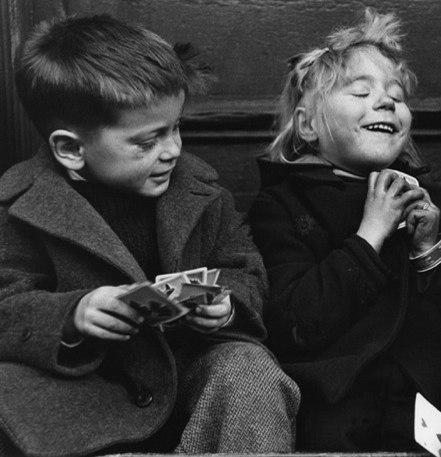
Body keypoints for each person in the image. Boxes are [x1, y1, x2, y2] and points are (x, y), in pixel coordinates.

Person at [0, 15, 299, 456]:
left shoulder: (202, 191)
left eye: (176, 127)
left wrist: (226, 304)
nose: (173, 149)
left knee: (250, 371)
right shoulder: (18, 207)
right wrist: (72, 314)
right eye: (148, 141)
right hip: (80, 396)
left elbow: (244, 265)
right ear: (71, 149)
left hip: (190, 378)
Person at [248, 8, 441, 452]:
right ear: (307, 126)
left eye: (397, 96)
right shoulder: (282, 206)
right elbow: (294, 324)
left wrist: (431, 247)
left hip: (428, 401)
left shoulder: (436, 203)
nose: (386, 102)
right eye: (361, 92)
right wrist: (369, 235)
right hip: (333, 404)